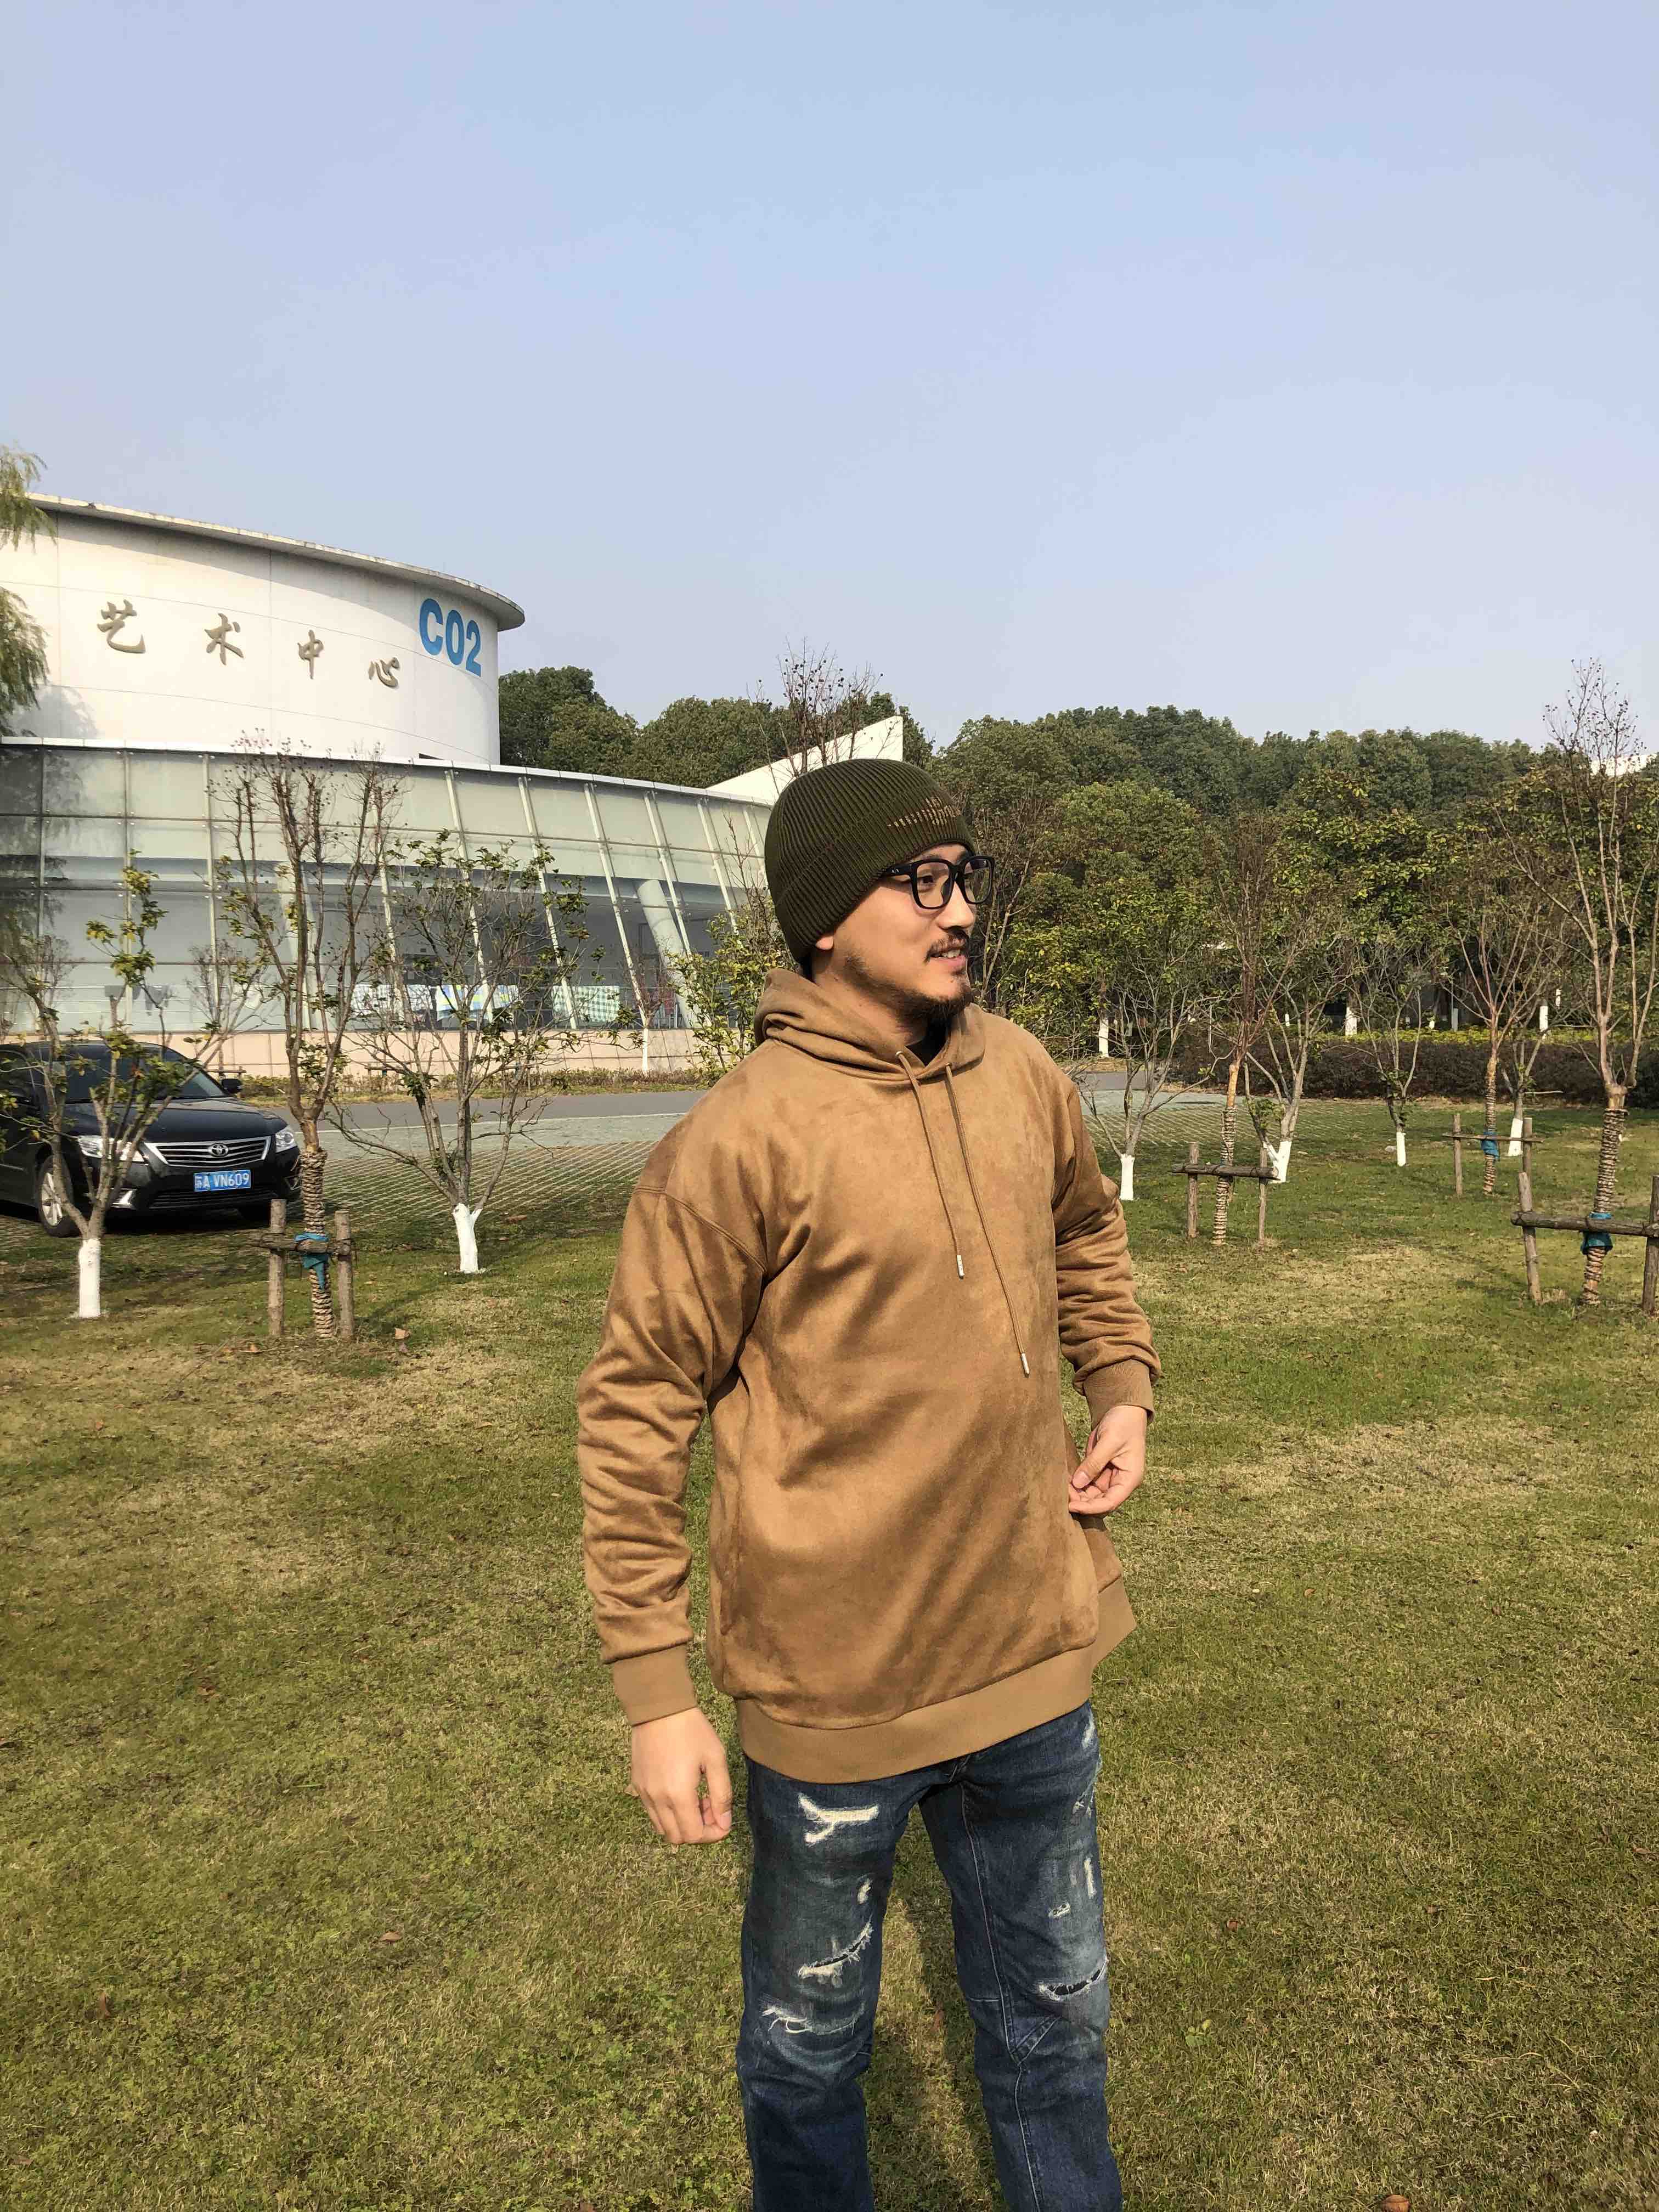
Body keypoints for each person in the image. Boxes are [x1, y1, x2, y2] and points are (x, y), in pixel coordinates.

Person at [578, 756, 1160, 2211]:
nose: (958, 911)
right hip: (834, 1695)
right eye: (922, 882)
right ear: (827, 919)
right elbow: (638, 1411)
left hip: (1034, 1660)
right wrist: (656, 1694)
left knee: (1053, 2031)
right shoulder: (740, 1141)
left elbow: (1085, 1233)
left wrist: (1120, 1385)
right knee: (808, 2051)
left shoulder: (1022, 1072)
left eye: (965, 878)